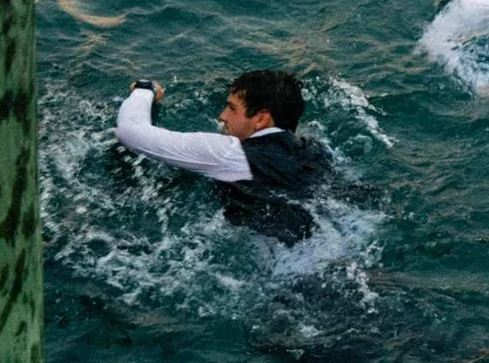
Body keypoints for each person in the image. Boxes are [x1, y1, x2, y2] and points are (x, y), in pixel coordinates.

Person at [114, 68, 333, 243]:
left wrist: (144, 89)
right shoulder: (314, 150)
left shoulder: (231, 154)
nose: (222, 116)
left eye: (231, 108)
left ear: (261, 118)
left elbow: (131, 132)